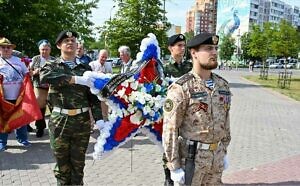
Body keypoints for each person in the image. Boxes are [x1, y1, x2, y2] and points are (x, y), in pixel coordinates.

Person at [162, 33, 231, 185]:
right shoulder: (181, 88)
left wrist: (223, 150)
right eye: (208, 48)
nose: (214, 52)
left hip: (216, 158)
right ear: (194, 53)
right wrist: (173, 166)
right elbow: (170, 129)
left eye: (215, 48)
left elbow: (225, 122)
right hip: (193, 160)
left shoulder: (222, 86)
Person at [39, 30, 102, 185]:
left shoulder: (85, 68)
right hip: (61, 120)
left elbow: (93, 97)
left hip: (82, 122)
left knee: (78, 165)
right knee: (62, 166)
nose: (70, 43)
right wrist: (75, 79)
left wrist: (100, 120)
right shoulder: (51, 65)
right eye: (66, 40)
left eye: (73, 40)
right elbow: (45, 77)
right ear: (59, 45)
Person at [162, 34, 193, 186]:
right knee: (170, 147)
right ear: (170, 48)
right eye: (179, 45)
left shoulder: (189, 66)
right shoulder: (163, 68)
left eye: (183, 45)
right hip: (172, 115)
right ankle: (168, 179)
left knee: (186, 149)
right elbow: (159, 92)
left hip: (188, 115)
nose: (182, 48)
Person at [0, 37, 31, 151]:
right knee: (3, 120)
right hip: (3, 98)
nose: (6, 49)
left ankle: (22, 139)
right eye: (3, 47)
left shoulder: (19, 61)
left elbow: (26, 74)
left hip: (19, 96)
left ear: (12, 49)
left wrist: (30, 74)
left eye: (8, 47)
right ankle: (2, 141)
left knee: (20, 119)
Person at [29, 39, 55, 137]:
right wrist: (35, 72)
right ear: (39, 50)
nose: (44, 51)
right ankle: (40, 127)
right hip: (39, 85)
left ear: (50, 50)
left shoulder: (54, 59)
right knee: (40, 108)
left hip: (52, 86)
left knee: (54, 107)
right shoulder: (35, 59)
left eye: (46, 49)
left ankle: (55, 128)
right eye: (42, 49)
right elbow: (29, 72)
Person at [89, 49, 112, 121]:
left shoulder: (108, 65)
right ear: (98, 56)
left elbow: (111, 76)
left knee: (104, 110)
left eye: (106, 57)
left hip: (104, 92)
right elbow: (88, 77)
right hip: (93, 92)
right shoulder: (92, 64)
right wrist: (97, 74)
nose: (104, 59)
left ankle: (105, 122)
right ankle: (92, 125)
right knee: (93, 109)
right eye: (102, 57)